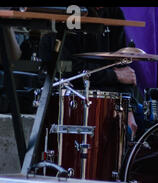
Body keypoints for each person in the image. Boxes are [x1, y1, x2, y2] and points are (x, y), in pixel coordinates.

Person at [38, 7, 142, 138]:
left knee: (151, 122)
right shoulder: (68, 11)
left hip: (114, 99)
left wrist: (129, 108)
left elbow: (124, 69)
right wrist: (114, 75)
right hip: (76, 100)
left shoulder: (114, 12)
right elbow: (66, 69)